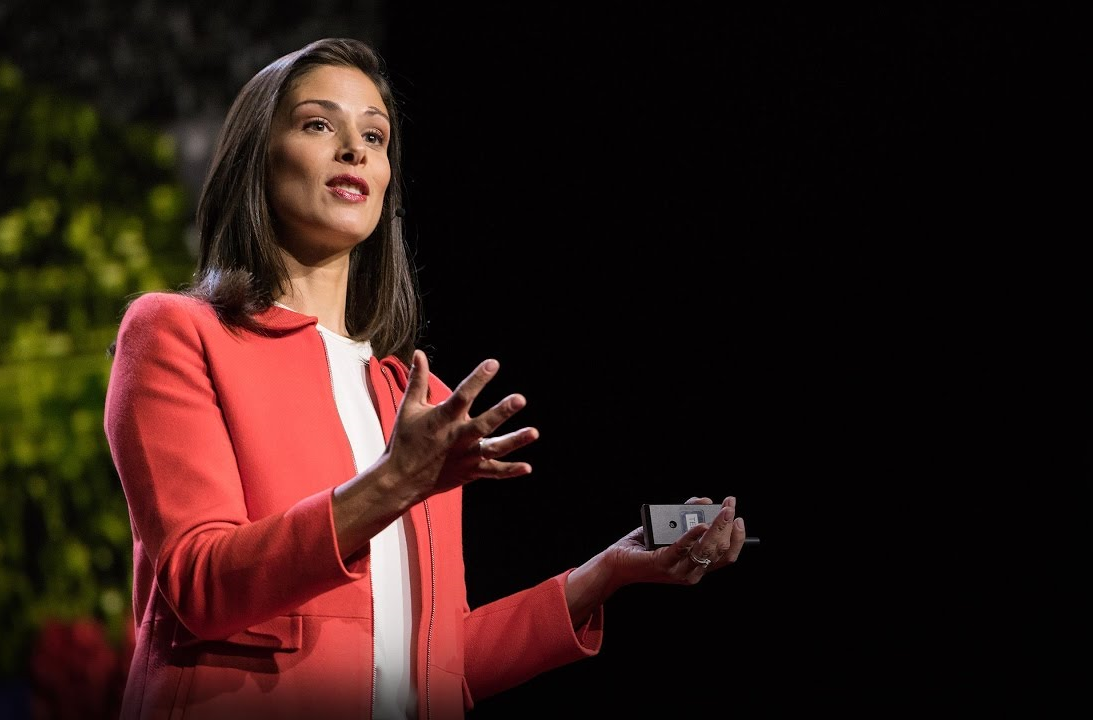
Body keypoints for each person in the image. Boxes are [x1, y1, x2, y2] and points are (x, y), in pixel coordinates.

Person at [103, 37, 751, 720]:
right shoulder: (179, 335)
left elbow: (438, 658)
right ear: (255, 159)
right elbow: (200, 585)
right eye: (319, 124)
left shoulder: (423, 404)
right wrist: (393, 480)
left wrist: (604, 576)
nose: (354, 150)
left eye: (375, 136)